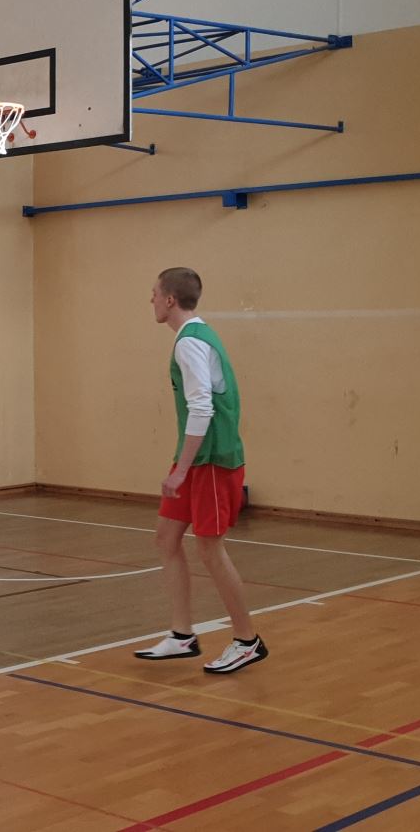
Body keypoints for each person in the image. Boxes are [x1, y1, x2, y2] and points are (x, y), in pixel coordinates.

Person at [132, 267, 267, 675]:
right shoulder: (193, 337)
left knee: (210, 548)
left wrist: (181, 470)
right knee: (166, 538)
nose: (151, 300)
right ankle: (182, 635)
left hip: (211, 461)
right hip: (195, 458)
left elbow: (202, 407)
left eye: (154, 293)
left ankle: (247, 641)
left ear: (170, 299)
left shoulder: (190, 342)